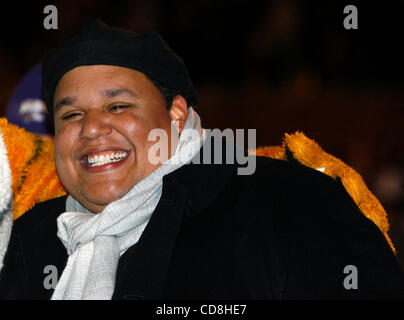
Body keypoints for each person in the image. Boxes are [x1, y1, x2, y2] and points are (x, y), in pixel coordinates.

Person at [0, 20, 403, 300]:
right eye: (71, 115)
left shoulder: (289, 201)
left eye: (118, 105)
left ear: (176, 114)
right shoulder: (25, 242)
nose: (90, 128)